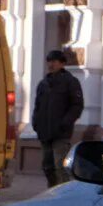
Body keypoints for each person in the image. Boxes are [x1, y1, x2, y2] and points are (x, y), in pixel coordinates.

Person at [32, 49, 84, 187]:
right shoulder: (43, 83)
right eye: (49, 61)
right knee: (47, 166)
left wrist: (65, 122)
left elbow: (77, 106)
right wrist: (35, 123)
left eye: (54, 61)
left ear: (62, 63)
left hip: (61, 133)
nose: (51, 64)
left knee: (60, 166)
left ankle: (63, 194)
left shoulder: (71, 82)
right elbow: (37, 106)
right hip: (44, 132)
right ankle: (51, 192)